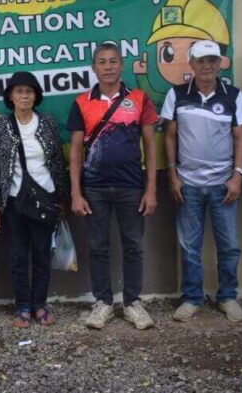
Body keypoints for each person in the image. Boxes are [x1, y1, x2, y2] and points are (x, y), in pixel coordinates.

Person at [68, 42, 158, 330]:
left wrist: (152, 189)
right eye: (102, 62)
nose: (108, 66)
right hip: (93, 188)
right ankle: (103, 302)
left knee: (134, 245)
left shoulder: (140, 99)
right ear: (94, 68)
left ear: (121, 65)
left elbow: (150, 145)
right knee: (97, 247)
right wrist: (76, 193)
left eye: (113, 61)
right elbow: (75, 152)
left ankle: (132, 303)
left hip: (132, 186)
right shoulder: (81, 102)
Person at [163, 40, 242, 323]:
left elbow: (241, 137)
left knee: (229, 246)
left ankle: (227, 297)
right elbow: (169, 136)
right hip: (187, 183)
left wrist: (237, 176)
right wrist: (173, 175)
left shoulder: (233, 95)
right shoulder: (176, 94)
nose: (207, 66)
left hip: (223, 184)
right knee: (190, 246)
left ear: (220, 63)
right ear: (191, 64)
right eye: (201, 61)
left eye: (212, 60)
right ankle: (192, 298)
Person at [0, 71, 67, 328]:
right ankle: (22, 306)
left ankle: (40, 305)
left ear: (36, 96)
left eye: (29, 91)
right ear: (10, 96)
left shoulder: (48, 123)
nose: (24, 96)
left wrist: (61, 198)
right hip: (14, 203)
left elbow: (57, 163)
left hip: (44, 199)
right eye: (19, 91)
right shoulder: (0, 125)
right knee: (18, 257)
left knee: (42, 255)